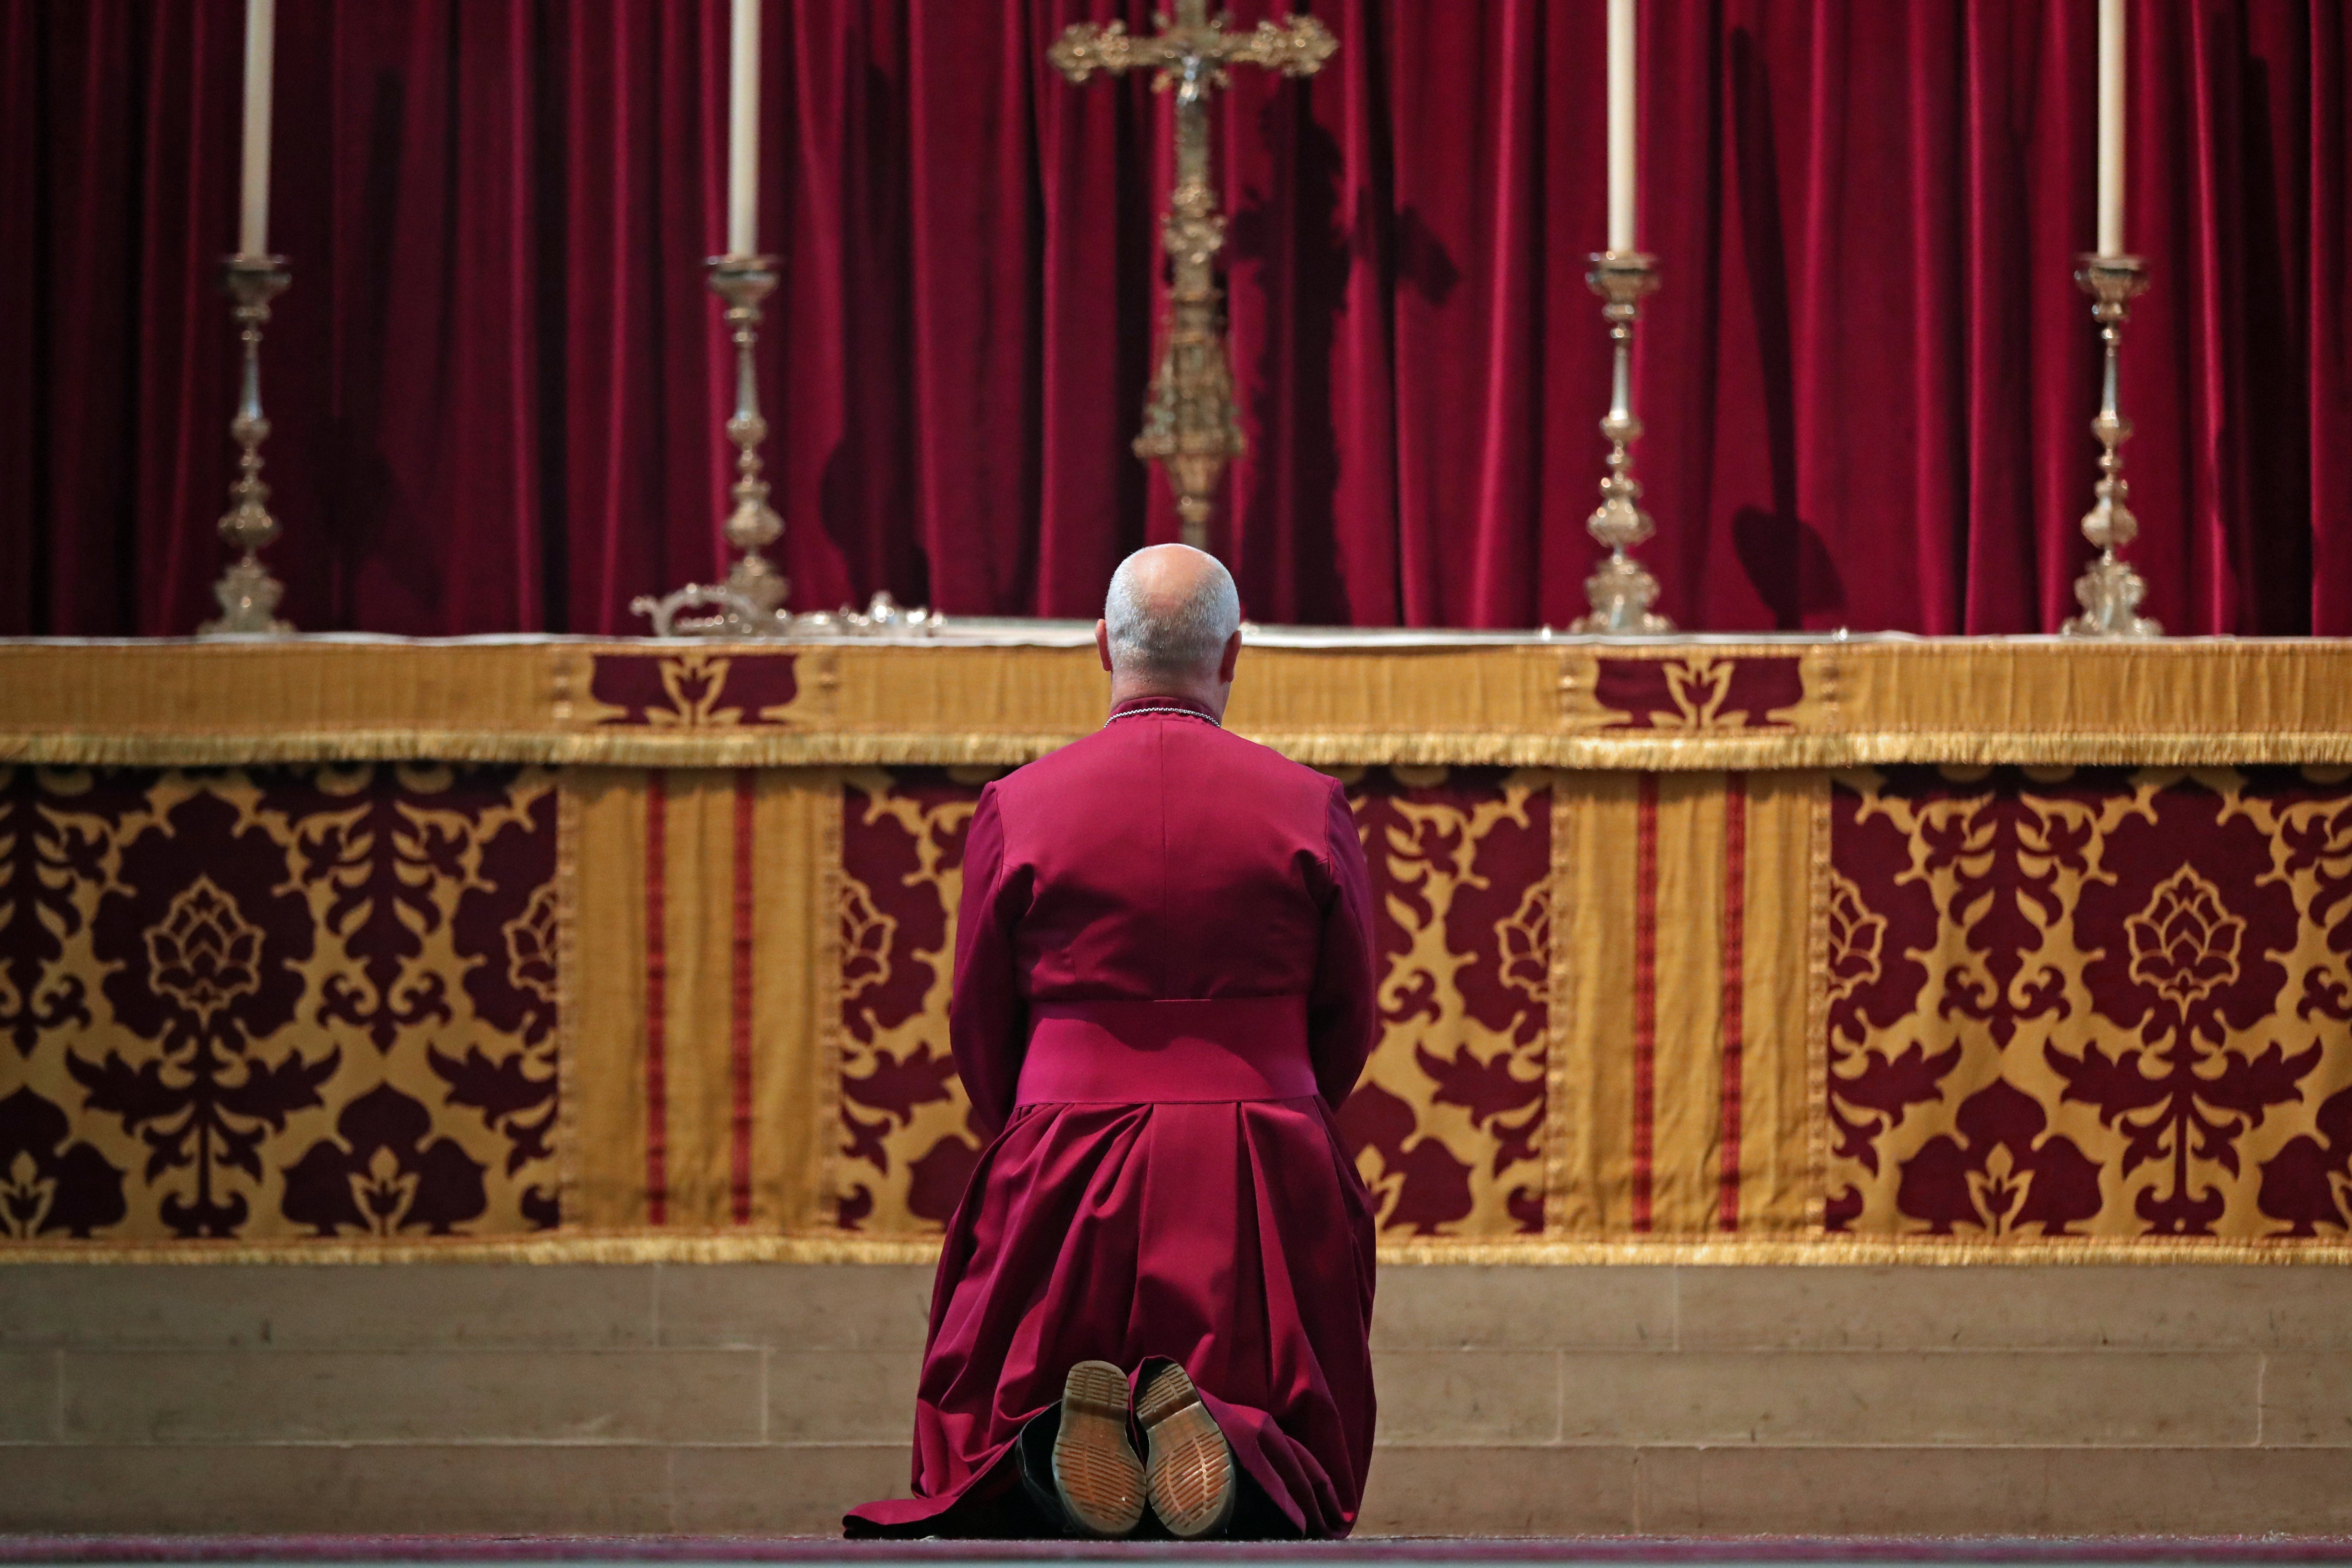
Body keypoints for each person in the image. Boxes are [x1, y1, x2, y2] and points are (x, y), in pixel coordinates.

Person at [844, 544, 1379, 1541]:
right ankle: (1231, 1435)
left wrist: (1037, 1117)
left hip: (1065, 1151)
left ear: (1102, 648)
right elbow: (1349, 1012)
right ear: (1232, 657)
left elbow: (979, 1017)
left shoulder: (1020, 804)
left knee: (1006, 1409)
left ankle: (1060, 1446)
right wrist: (1284, 1100)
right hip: (1258, 1153)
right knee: (1280, 1423)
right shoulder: (1310, 805)